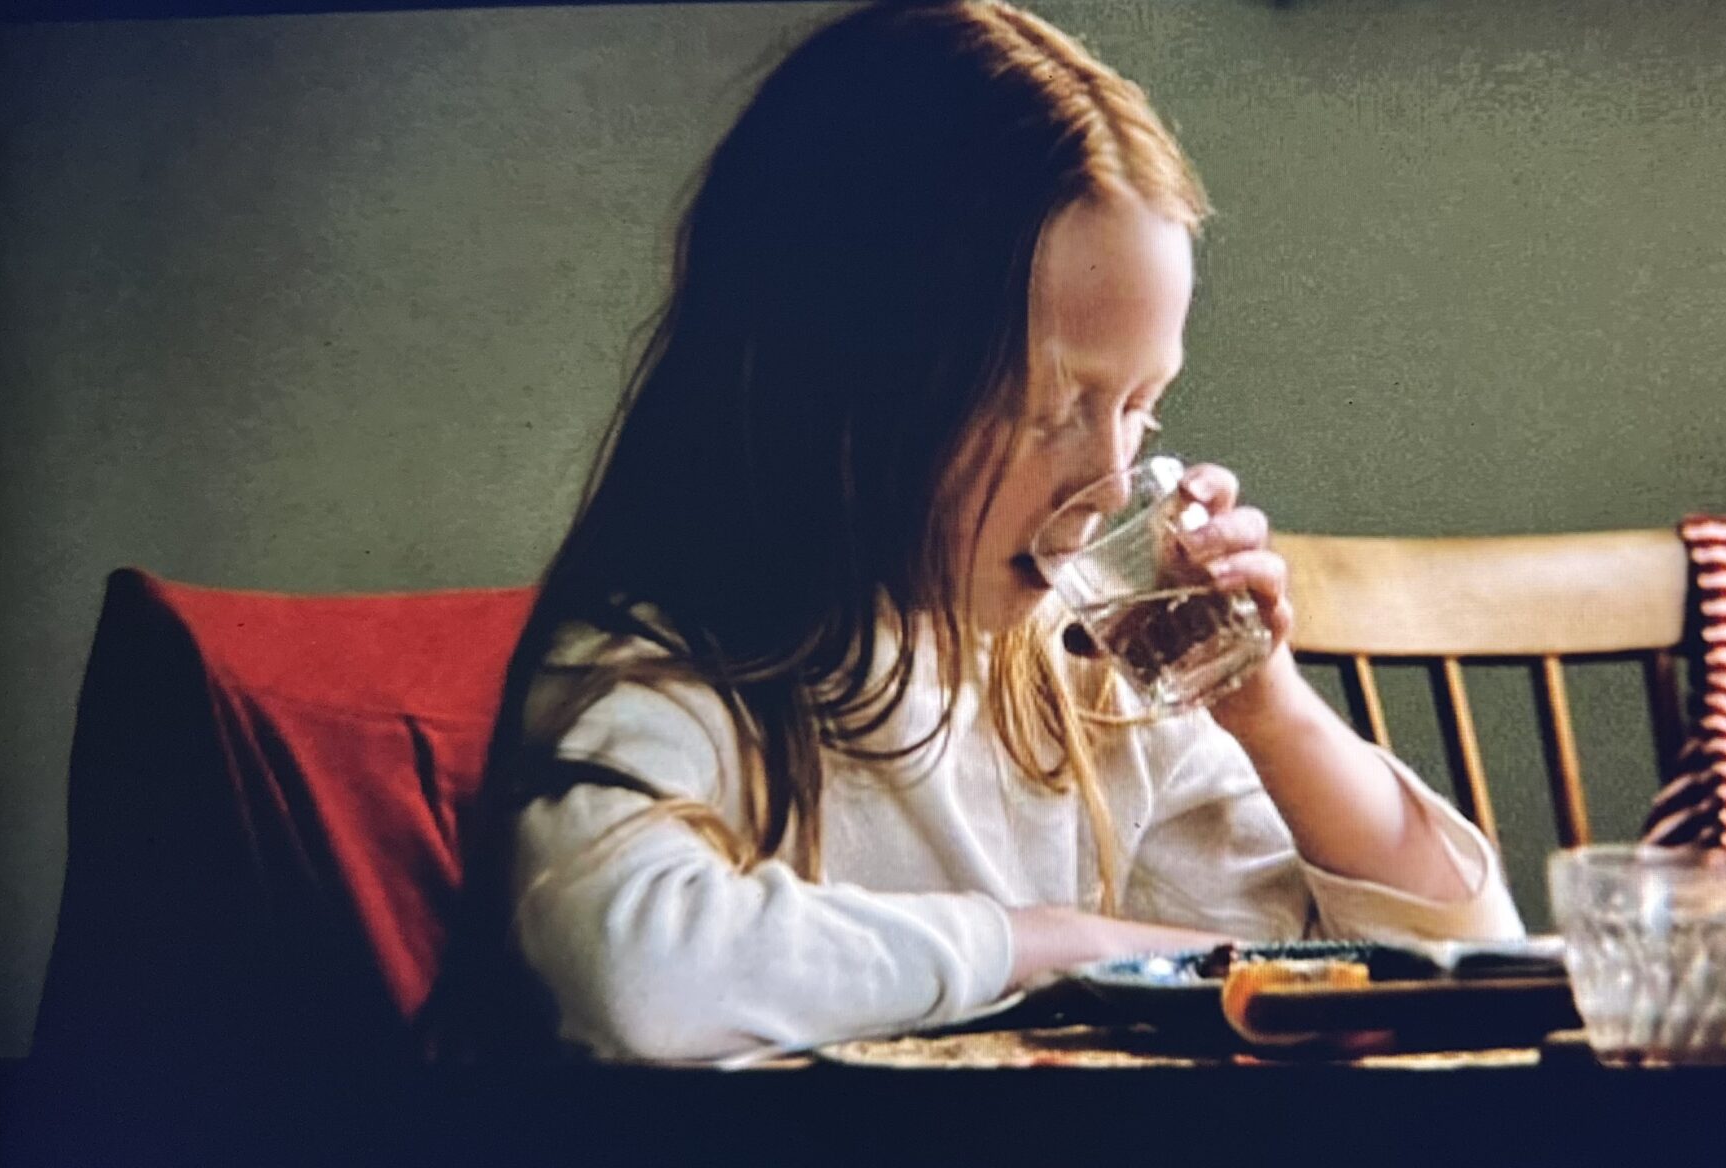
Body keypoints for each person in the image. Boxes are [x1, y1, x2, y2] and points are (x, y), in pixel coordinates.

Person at [425, 0, 1520, 1065]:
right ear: (848, 380)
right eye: (1050, 408)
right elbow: (644, 976)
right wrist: (1049, 943)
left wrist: (1271, 713)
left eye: (1143, 408)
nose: (1107, 480)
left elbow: (1457, 967)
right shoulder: (671, 670)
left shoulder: (1075, 684)